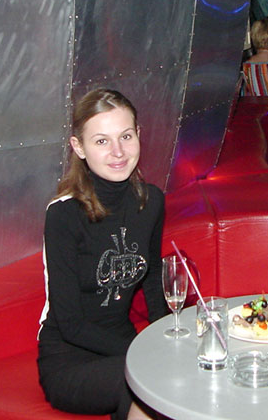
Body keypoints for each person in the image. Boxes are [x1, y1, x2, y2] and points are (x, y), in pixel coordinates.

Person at [37, 88, 166, 420]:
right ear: (79, 147)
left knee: (183, 374)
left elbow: (152, 279)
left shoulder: (151, 201)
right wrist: (143, 352)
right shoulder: (63, 214)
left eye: (126, 136)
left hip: (123, 344)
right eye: (101, 141)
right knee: (147, 381)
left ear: (138, 135)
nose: (118, 151)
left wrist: (170, 338)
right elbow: (70, 324)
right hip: (69, 357)